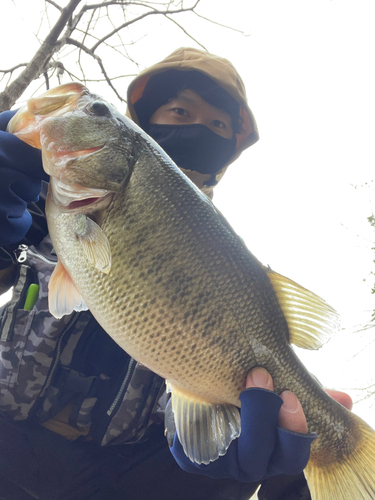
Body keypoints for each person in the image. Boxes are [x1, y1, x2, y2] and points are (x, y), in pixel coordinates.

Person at [0, 47, 351, 500]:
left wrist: (216, 438)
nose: (198, 128)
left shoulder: (226, 265)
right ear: (142, 122)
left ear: (229, 147)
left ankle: (335, 457)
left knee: (271, 451)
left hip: (120, 477)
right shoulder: (40, 201)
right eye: (181, 110)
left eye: (217, 124)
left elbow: (202, 397)